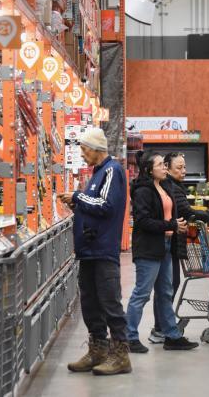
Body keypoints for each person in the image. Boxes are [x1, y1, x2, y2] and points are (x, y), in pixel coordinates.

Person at [59, 128, 131, 376]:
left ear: (95, 148)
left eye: (83, 149)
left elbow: (107, 205)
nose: (81, 154)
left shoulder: (112, 170)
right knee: (90, 302)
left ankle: (120, 355)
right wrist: (77, 202)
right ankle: (98, 349)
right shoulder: (97, 173)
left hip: (102, 249)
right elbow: (94, 205)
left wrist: (77, 196)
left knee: (109, 301)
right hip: (88, 250)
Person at [125, 151, 199, 353]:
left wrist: (177, 226)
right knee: (142, 293)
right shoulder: (142, 191)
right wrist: (171, 225)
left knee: (166, 292)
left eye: (165, 165)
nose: (165, 168)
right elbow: (143, 221)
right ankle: (129, 337)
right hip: (149, 248)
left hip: (166, 245)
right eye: (160, 165)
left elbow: (171, 215)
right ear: (149, 170)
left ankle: (172, 336)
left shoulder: (165, 186)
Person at [148, 152, 208, 344]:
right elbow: (186, 212)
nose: (184, 171)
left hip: (170, 242)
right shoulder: (171, 187)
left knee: (168, 285)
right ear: (167, 167)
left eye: (184, 167)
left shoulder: (173, 186)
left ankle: (162, 327)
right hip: (168, 243)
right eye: (179, 168)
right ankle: (160, 328)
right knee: (167, 286)